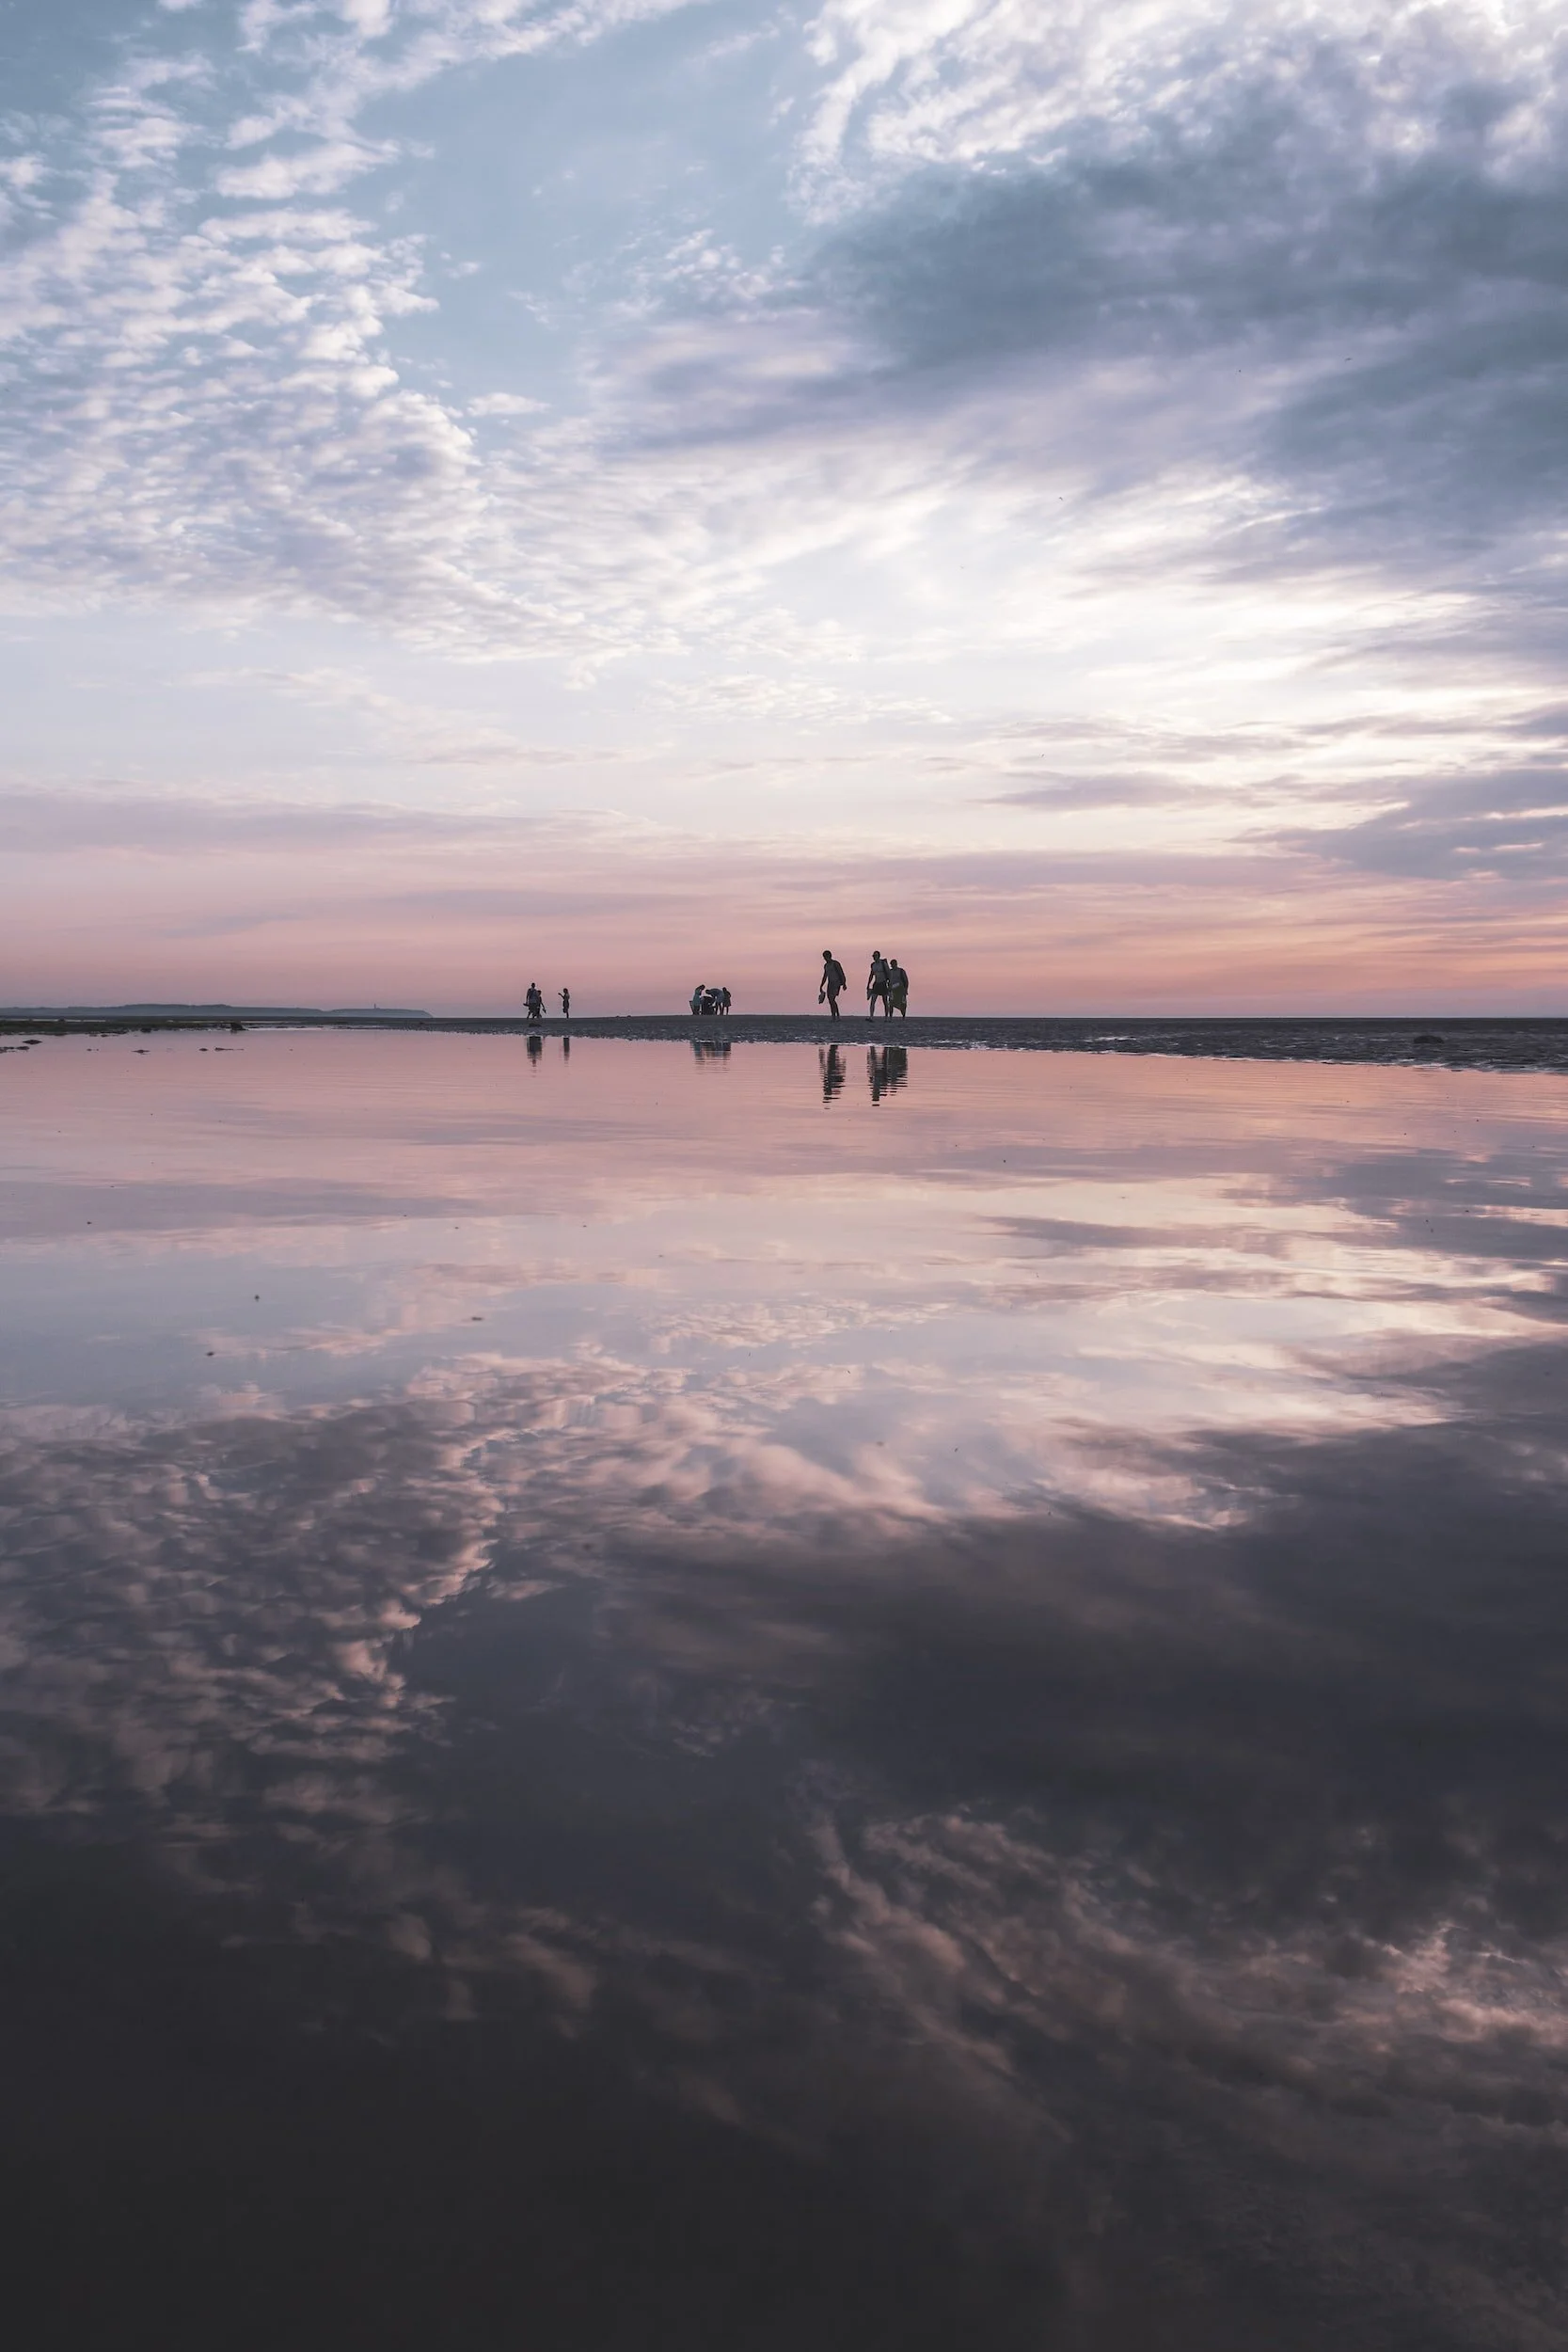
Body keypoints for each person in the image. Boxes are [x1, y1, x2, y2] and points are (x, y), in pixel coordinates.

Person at [819, 948, 847, 1019]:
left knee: (832, 999)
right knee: (830, 1000)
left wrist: (844, 984)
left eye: (826, 957)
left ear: (829, 956)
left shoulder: (835, 963)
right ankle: (833, 1015)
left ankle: (837, 1015)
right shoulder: (826, 966)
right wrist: (821, 986)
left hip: (836, 983)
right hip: (830, 983)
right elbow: (825, 976)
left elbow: (841, 973)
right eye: (824, 957)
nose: (825, 959)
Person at [866, 951, 890, 1018]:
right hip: (876, 983)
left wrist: (889, 983)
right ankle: (871, 1016)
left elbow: (888, 973)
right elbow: (871, 975)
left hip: (883, 983)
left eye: (875, 956)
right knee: (873, 1000)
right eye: (873, 956)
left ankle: (886, 1017)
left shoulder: (883, 964)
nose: (874, 957)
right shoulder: (873, 965)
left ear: (878, 956)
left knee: (885, 1001)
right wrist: (868, 984)